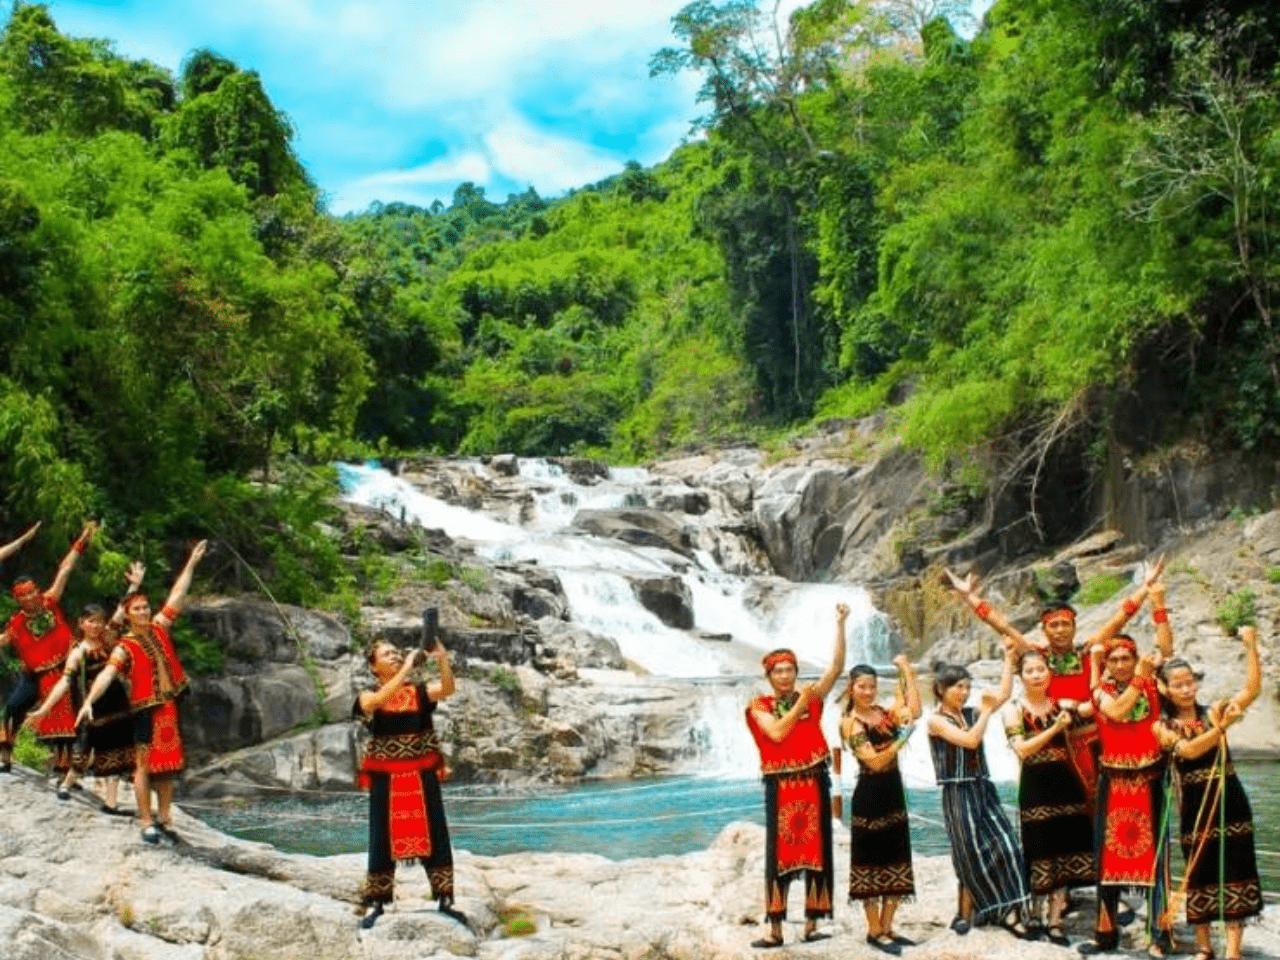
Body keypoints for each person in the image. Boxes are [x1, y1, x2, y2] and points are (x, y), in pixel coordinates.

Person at [947, 560, 1167, 805]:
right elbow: (1002, 626)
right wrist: (969, 598)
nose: (1060, 630)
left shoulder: (1088, 652)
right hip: (1052, 743)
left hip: (1097, 741)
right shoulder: (1037, 657)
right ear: (1044, 630)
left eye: (1065, 624)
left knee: (1104, 807)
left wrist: (1146, 588)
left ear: (1074, 627)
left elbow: (1119, 619)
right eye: (1054, 625)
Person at [77, 541, 206, 844]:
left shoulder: (160, 627)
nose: (144, 611)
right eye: (137, 608)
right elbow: (107, 674)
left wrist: (191, 563)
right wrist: (88, 702)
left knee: (168, 766)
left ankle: (165, 819)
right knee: (144, 767)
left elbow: (177, 595)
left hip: (168, 705)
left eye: (146, 606)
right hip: (144, 710)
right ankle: (145, 820)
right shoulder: (125, 646)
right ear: (128, 614)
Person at [744, 602, 848, 949]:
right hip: (781, 784)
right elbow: (776, 734)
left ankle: (812, 924)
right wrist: (802, 704)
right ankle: (774, 929)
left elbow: (836, 668)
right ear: (770, 677)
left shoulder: (811, 696)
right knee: (780, 854)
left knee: (818, 852)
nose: (786, 676)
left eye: (790, 670)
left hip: (814, 778)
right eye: (779, 672)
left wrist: (840, 624)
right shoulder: (759, 706)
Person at [1157, 625, 1264, 960]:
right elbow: (1188, 752)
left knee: (1236, 869)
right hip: (1193, 804)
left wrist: (1251, 646)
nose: (1188, 689)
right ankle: (1205, 947)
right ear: (1165, 688)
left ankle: (1233, 950)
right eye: (1179, 685)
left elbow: (1251, 690)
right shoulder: (1161, 726)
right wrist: (1222, 728)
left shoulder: (1212, 711)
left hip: (1230, 800)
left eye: (1191, 682)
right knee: (1199, 870)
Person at [927, 643, 1035, 938]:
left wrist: (1008, 659)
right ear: (941, 689)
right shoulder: (936, 720)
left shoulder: (972, 712)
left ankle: (1008, 910)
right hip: (957, 793)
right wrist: (986, 712)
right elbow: (971, 741)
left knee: (1007, 845)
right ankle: (968, 914)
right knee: (970, 853)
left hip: (982, 788)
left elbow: (1002, 695)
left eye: (966, 687)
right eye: (957, 687)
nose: (963, 692)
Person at [1079, 626, 1173, 957]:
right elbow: (1117, 712)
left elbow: (1166, 648)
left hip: (1149, 782)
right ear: (1107, 664)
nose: (1121, 664)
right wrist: (1139, 679)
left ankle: (1160, 936)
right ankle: (1106, 933)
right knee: (1108, 859)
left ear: (1135, 658)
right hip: (1114, 783)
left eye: (1127, 658)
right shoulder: (1100, 692)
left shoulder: (1153, 684)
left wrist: (1158, 604)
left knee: (1157, 858)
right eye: (1114, 659)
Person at [355, 636, 461, 929]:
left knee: (436, 832)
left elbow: (448, 689)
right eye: (386, 654)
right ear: (373, 666)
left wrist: (441, 658)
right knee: (382, 838)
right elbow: (376, 703)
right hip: (385, 776)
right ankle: (377, 902)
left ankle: (445, 899)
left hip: (420, 771)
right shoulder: (366, 695)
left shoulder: (419, 692)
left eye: (396, 653)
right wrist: (407, 669)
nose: (394, 656)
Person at [26, 561, 145, 810]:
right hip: (91, 705)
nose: (96, 626)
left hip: (117, 700)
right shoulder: (78, 652)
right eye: (91, 622)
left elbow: (122, 612)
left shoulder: (109, 638)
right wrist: (43, 710)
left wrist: (134, 585)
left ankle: (110, 803)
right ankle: (67, 784)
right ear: (81, 624)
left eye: (99, 621)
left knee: (120, 748)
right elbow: (64, 682)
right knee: (86, 747)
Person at [1002, 648, 1096, 945]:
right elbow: (1023, 750)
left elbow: (1092, 707)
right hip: (1035, 787)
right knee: (1038, 849)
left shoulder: (1062, 704)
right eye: (1030, 671)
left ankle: (1056, 921)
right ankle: (1033, 914)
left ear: (1049, 673)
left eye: (1041, 669)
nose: (1036, 675)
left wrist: (1096, 665)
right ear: (1020, 677)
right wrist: (1055, 727)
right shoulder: (1013, 709)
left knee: (1066, 850)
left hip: (1066, 785)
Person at [1, 521, 97, 776]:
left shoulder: (50, 601)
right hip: (34, 675)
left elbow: (65, 569)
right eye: (24, 595)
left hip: (63, 670)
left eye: (33, 592)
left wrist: (82, 541)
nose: (31, 597)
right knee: (12, 707)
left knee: (65, 721)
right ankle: (5, 756)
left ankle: (64, 770)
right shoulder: (17, 622)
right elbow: (4, 640)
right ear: (17, 598)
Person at [840, 655, 921, 956]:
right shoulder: (851, 722)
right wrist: (901, 741)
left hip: (893, 792)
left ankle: (887, 927)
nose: (868, 692)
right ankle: (873, 930)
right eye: (862, 687)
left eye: (872, 687)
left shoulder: (882, 713)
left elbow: (914, 710)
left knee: (896, 856)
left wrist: (906, 670)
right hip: (870, 796)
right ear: (851, 688)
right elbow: (874, 760)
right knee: (871, 862)